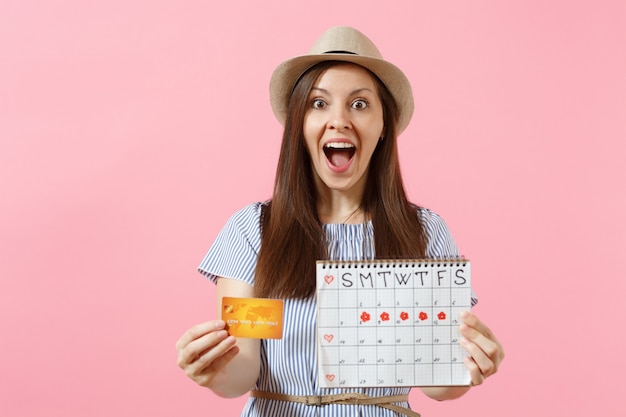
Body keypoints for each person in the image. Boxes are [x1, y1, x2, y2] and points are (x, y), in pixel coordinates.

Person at [176, 26, 504, 417]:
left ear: (385, 127)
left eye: (360, 105)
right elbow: (244, 368)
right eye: (318, 104)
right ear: (299, 125)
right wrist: (215, 369)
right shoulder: (256, 232)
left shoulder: (424, 233)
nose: (339, 121)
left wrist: (469, 367)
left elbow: (438, 381)